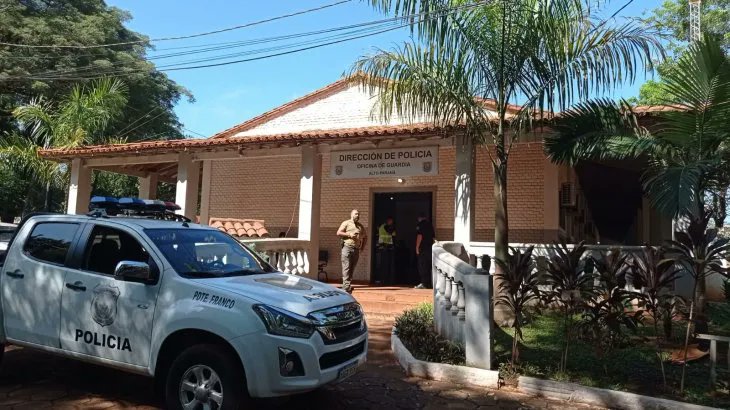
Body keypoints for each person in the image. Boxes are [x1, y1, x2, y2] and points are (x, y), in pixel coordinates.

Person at [337, 209, 367, 294]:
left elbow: (365, 237)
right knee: (346, 267)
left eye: (358, 214)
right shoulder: (346, 223)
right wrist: (349, 234)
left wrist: (362, 247)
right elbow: (338, 232)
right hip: (347, 248)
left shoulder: (360, 226)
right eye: (356, 214)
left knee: (352, 268)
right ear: (351, 215)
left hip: (356, 249)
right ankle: (346, 286)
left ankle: (347, 284)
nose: (357, 216)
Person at [414, 213, 435, 289]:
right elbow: (433, 238)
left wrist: (417, 247)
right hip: (430, 248)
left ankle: (424, 284)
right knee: (429, 266)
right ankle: (429, 283)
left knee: (422, 266)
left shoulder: (420, 225)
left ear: (419, 218)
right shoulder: (430, 225)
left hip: (423, 249)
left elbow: (419, 236)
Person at [376, 216, 396, 285]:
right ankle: (383, 280)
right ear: (388, 221)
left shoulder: (387, 227)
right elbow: (390, 232)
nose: (392, 223)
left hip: (388, 248)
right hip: (384, 248)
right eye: (391, 221)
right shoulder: (384, 227)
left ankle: (387, 280)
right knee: (384, 265)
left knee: (388, 265)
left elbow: (393, 236)